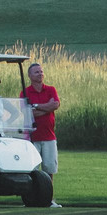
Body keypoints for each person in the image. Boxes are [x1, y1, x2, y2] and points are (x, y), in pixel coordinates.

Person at [20, 61, 62, 207]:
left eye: (41, 71)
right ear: (30, 75)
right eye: (36, 72)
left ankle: (48, 199)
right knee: (31, 170)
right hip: (33, 137)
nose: (40, 74)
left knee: (49, 169)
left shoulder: (50, 89)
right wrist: (47, 108)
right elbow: (27, 113)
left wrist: (37, 106)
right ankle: (31, 198)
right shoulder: (25, 92)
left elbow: (55, 105)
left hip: (49, 136)